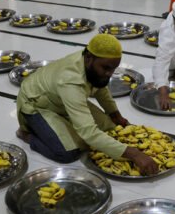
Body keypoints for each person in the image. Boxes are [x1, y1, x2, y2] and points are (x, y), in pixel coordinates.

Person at [16, 34, 158, 175]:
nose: (109, 74)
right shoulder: (70, 80)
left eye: (113, 69)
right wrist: (134, 154)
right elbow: (88, 132)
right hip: (37, 104)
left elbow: (100, 87)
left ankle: (61, 126)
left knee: (111, 129)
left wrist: (114, 114)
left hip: (61, 98)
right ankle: (27, 135)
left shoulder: (92, 60)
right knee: (68, 153)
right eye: (106, 68)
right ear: (89, 57)